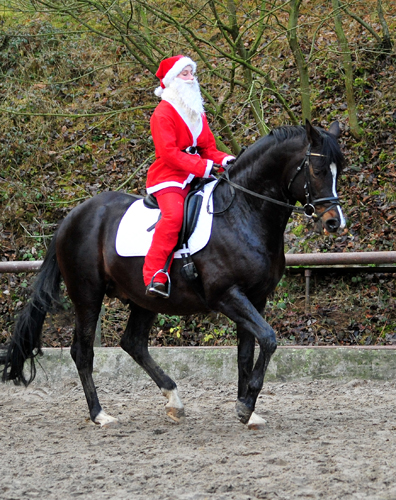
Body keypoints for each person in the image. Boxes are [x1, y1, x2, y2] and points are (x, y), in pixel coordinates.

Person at [143, 54, 235, 298]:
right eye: (184, 74)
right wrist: (203, 166)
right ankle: (155, 274)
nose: (191, 78)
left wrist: (226, 160)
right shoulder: (162, 114)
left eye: (191, 73)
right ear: (173, 79)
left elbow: (209, 149)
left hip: (197, 174)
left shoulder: (197, 113)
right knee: (173, 217)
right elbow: (168, 153)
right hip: (169, 175)